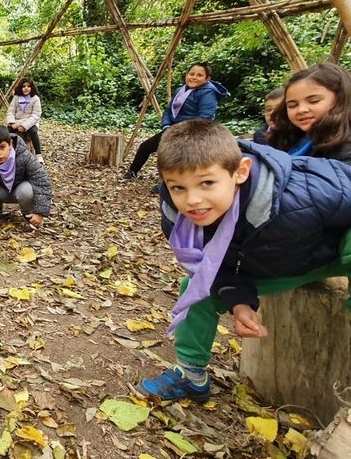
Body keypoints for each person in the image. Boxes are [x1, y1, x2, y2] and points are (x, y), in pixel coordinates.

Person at [136, 119, 351, 403]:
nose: (193, 200)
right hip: (280, 263)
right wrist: (239, 300)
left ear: (240, 172)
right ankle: (192, 375)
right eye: (178, 188)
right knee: (196, 286)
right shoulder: (180, 220)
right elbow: (218, 263)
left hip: (331, 257)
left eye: (207, 183)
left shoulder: (302, 196)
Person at [124, 63, 228, 179]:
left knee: (175, 156)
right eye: (191, 74)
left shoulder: (208, 93)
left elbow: (204, 117)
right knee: (146, 146)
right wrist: (166, 125)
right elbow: (169, 110)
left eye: (199, 75)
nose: (194, 77)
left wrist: (182, 131)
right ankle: (133, 171)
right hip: (173, 129)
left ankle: (168, 184)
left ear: (207, 79)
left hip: (194, 132)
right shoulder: (181, 90)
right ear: (186, 75)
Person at [267, 62, 351, 163]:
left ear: (341, 99)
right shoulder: (292, 139)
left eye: (314, 101)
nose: (301, 110)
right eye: (292, 105)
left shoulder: (345, 148)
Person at [0, 126, 52, 226]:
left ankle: (28, 213)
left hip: (21, 191)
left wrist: (40, 212)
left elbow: (41, 181)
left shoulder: (25, 156)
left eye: (2, 147)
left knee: (27, 190)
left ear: (10, 144)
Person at [6, 77, 44, 164]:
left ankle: (38, 154)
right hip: (17, 121)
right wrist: (12, 123)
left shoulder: (35, 98)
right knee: (7, 132)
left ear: (32, 88)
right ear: (20, 88)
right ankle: (9, 153)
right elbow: (10, 111)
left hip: (30, 122)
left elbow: (36, 115)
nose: (26, 88)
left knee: (33, 131)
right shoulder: (16, 98)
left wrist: (24, 126)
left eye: (28, 86)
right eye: (24, 86)